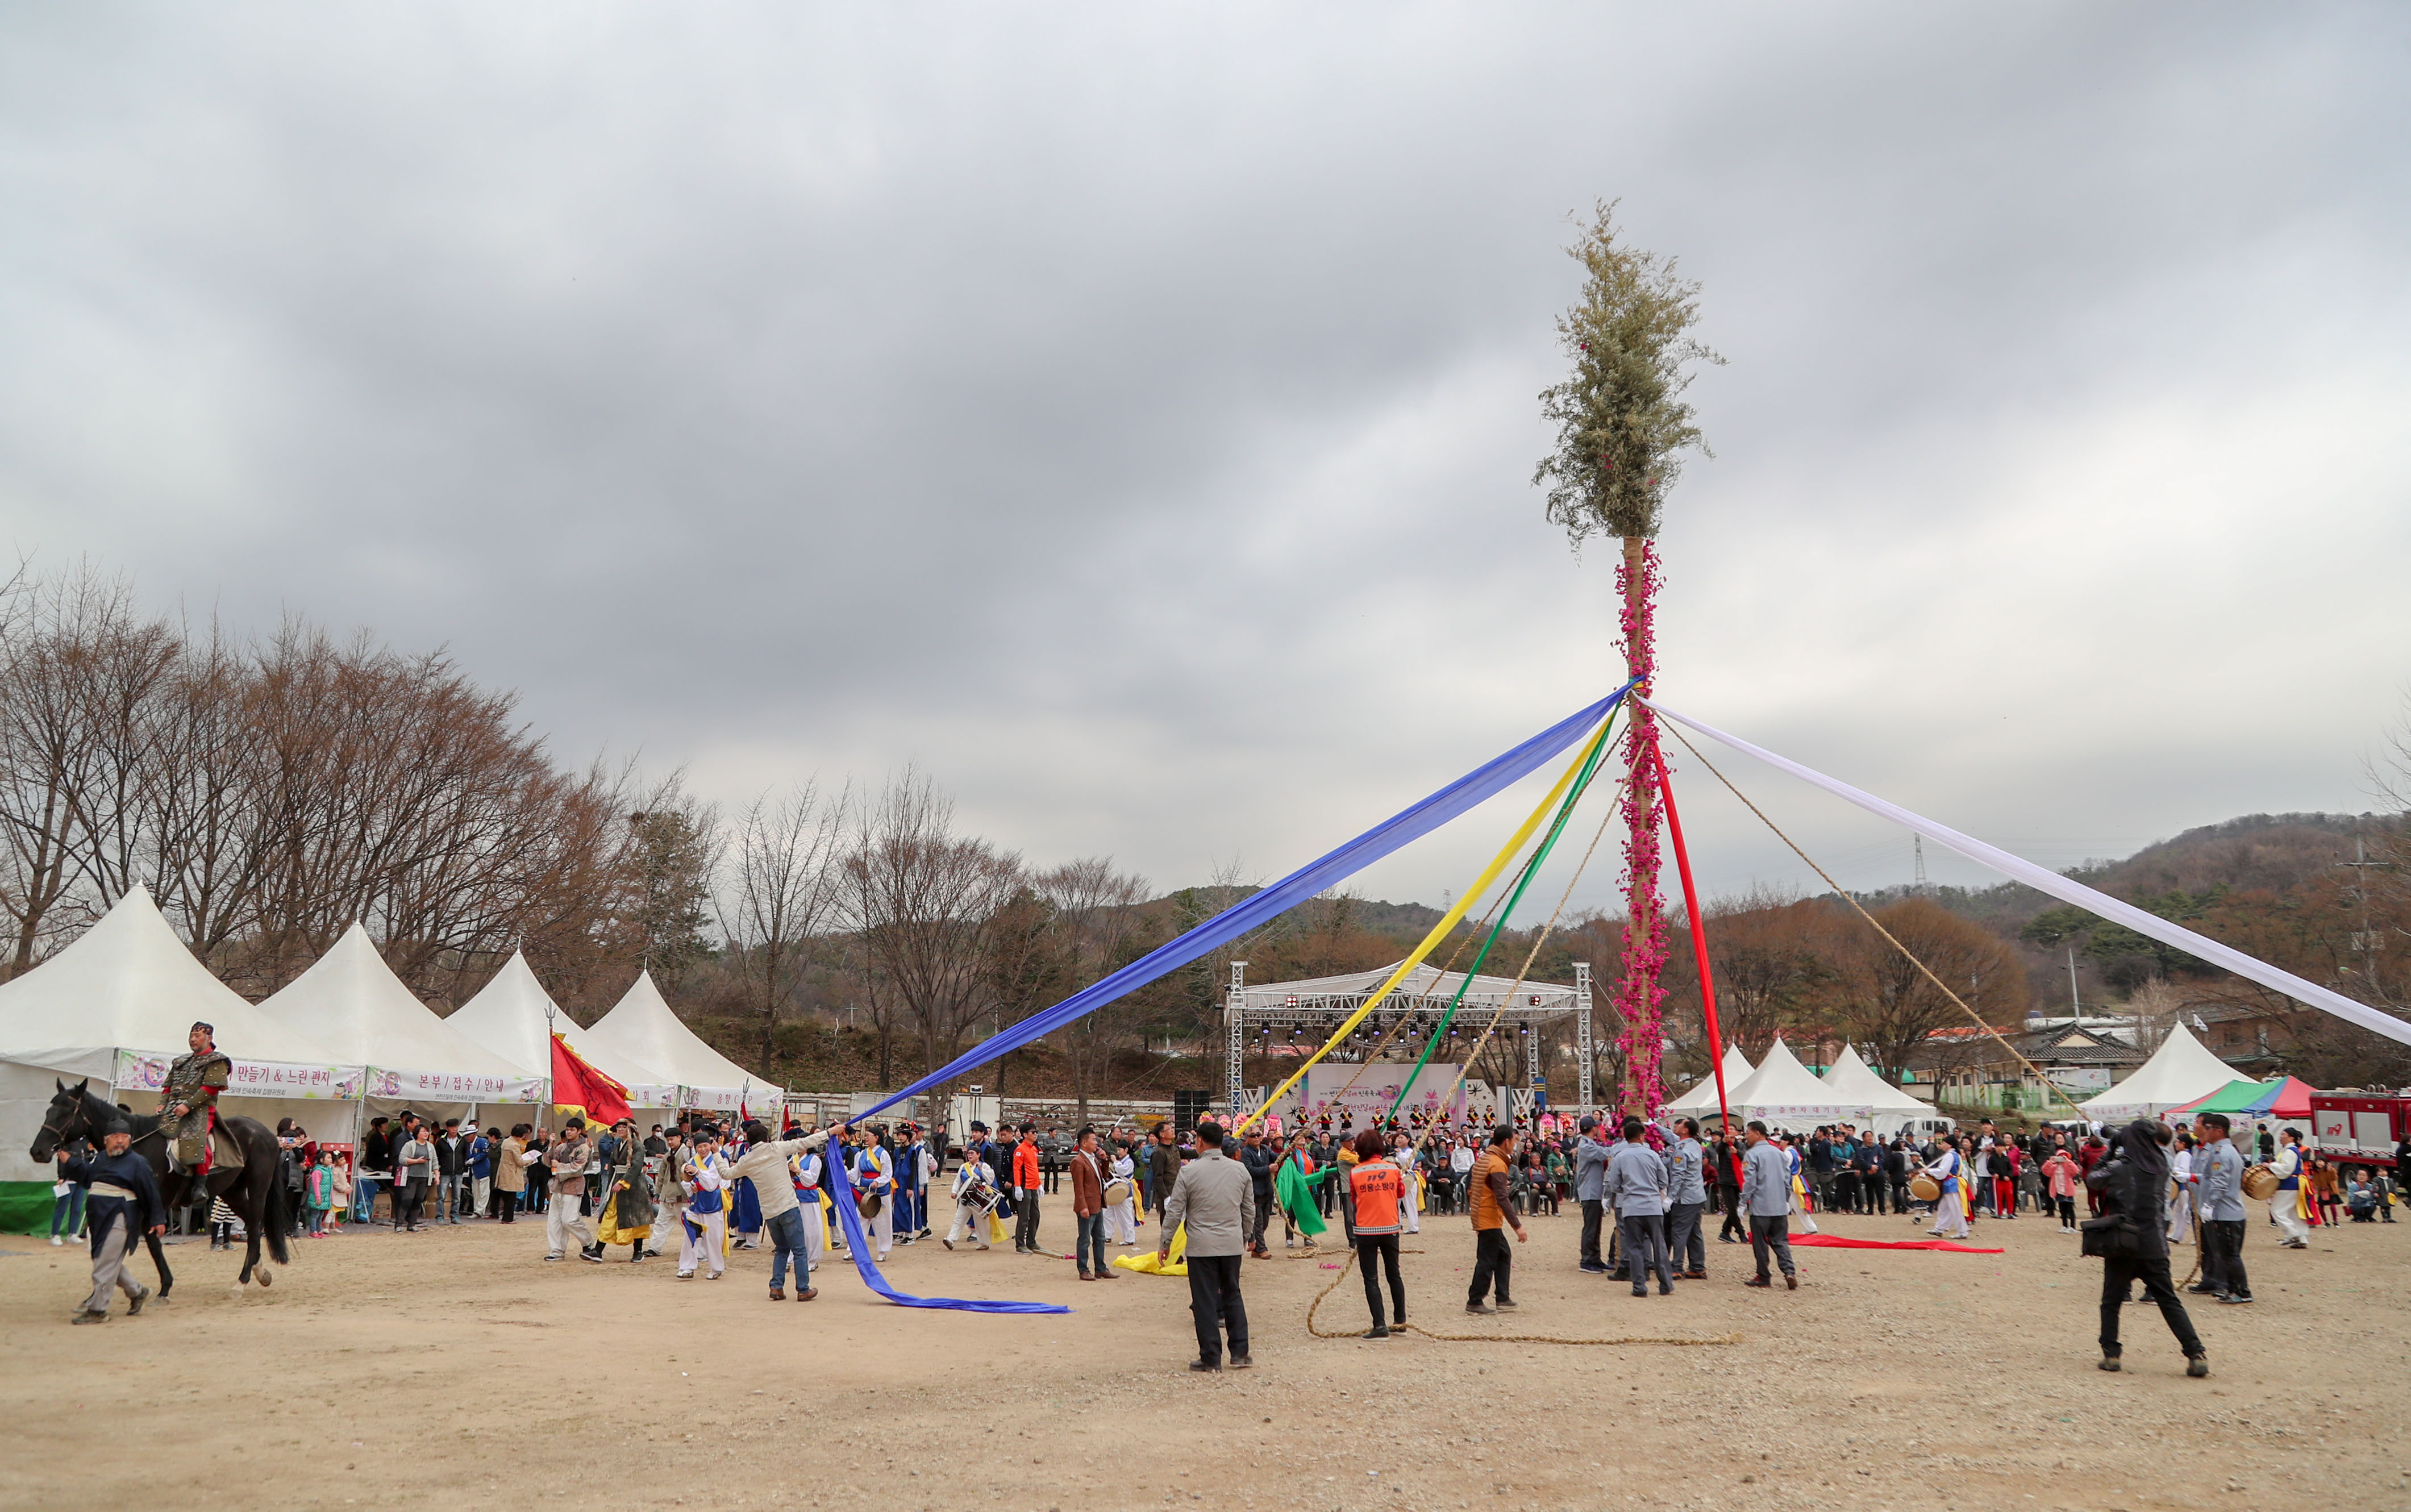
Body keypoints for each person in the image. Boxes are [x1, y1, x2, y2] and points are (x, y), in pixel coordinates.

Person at [2087, 1119, 2209, 1377]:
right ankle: (2195, 1353)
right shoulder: (2162, 1164)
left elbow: (2093, 1179)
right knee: (2169, 1301)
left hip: (2124, 1242)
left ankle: (2111, 1355)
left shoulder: (2121, 1166)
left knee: (2111, 1301)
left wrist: (2111, 1148)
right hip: (2154, 1242)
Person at [1159, 1119, 1254, 1371]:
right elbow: (1249, 1210)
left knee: (1204, 1300)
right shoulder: (1240, 1170)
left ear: (1200, 1141)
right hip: (1232, 1244)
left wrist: (1166, 1242)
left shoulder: (1189, 1172)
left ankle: (1211, 1357)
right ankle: (1240, 1352)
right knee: (1233, 1294)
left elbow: (1175, 1211)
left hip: (1202, 1246)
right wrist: (1244, 1237)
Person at [55, 1117, 163, 1323]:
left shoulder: (138, 1163)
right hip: (98, 1217)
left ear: (130, 1140)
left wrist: (157, 1219)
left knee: (104, 1264)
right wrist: (69, 1160)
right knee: (105, 1260)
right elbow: (88, 1177)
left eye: (125, 1137)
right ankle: (137, 1292)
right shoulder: (100, 1158)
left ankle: (98, 1310)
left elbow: (151, 1192)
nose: (120, 1141)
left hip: (120, 1216)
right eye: (115, 1137)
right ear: (106, 1140)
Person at [728, 1118, 839, 1300]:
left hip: (769, 1212)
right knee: (799, 1250)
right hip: (788, 1206)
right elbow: (806, 1142)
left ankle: (776, 1287)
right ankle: (803, 1289)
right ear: (767, 1139)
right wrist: (830, 1132)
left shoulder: (746, 1159)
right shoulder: (776, 1148)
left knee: (782, 1249)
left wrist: (717, 1154)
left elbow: (726, 1173)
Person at [1347, 1129, 1408, 1338]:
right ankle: (1400, 1321)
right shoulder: (1393, 1169)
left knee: (1371, 1278)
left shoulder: (1355, 1172)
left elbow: (1354, 1199)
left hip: (1366, 1230)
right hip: (1391, 1227)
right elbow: (1401, 1193)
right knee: (1394, 1275)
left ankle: (1380, 1325)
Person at [2189, 1113, 2253, 1305]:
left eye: (2207, 1128)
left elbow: (2219, 1183)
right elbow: (2209, 1178)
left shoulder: (2222, 1153)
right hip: (2226, 1212)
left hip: (2226, 1213)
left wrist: (2209, 1205)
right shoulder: (2222, 1150)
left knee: (2230, 1255)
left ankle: (2242, 1291)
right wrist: (2191, 1177)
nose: (2205, 1132)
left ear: (2218, 1131)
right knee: (2226, 1254)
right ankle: (2233, 1290)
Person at [1606, 1117, 1672, 1297]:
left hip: (1631, 1207)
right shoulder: (1652, 1155)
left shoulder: (1620, 1157)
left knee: (1634, 1247)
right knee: (1658, 1246)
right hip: (1652, 1206)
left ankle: (1639, 1286)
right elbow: (1664, 1180)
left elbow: (1614, 1185)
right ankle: (1666, 1284)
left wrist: (1627, 1190)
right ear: (1642, 1136)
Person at [1465, 1125, 1526, 1315]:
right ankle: (1475, 1300)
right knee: (1487, 1260)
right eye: (1515, 1140)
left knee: (1503, 1254)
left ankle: (1503, 1297)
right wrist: (1517, 1226)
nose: (1515, 1144)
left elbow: (1474, 1188)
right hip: (1489, 1216)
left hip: (1483, 1214)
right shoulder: (1497, 1164)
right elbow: (1502, 1197)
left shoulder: (1485, 1159)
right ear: (1507, 1141)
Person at [157, 1021, 231, 1173]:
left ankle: (200, 1183)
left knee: (195, 1143)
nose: (192, 1039)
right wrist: (162, 1103)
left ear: (209, 1037)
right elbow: (168, 1086)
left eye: (197, 1036)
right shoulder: (181, 1061)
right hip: (172, 1108)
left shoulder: (217, 1060)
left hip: (201, 1110)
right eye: (191, 1036)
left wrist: (187, 1106)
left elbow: (209, 1088)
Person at [1740, 1120, 1797, 1290]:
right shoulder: (1779, 1153)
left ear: (1758, 1133)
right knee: (1780, 1241)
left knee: (1760, 1243)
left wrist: (1743, 1202)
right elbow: (1788, 1180)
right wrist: (1785, 1199)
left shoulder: (1752, 1155)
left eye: (1748, 1132)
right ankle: (1789, 1271)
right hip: (1779, 1205)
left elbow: (1750, 1182)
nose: (1746, 1136)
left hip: (1761, 1206)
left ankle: (1764, 1276)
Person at [537, 1118, 598, 1261]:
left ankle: (587, 1242)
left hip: (573, 1186)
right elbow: (547, 1162)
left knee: (569, 1220)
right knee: (554, 1221)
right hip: (558, 1186)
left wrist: (559, 1166)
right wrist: (550, 1145)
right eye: (568, 1129)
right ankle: (556, 1251)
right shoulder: (561, 1147)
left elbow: (579, 1168)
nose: (569, 1132)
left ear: (579, 1131)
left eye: (572, 1129)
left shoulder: (584, 1148)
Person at [1665, 1117, 1708, 1281]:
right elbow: (1672, 1138)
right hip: (1697, 1195)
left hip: (1686, 1197)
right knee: (1694, 1232)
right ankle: (1698, 1267)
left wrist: (1671, 1197)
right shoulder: (1695, 1145)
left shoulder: (1682, 1149)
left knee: (1679, 1232)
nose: (1675, 1126)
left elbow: (1678, 1176)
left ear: (1686, 1130)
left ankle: (1676, 1268)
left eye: (1679, 1124)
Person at [1068, 1126, 1113, 1280]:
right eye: (1093, 1140)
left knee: (1100, 1238)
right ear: (1084, 1143)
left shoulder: (1093, 1158)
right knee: (1085, 1239)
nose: (1097, 1143)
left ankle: (1101, 1268)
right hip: (1087, 1206)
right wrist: (1083, 1206)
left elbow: (1104, 1176)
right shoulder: (1078, 1161)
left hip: (1097, 1204)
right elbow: (1078, 1187)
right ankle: (1083, 1269)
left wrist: (1104, 1160)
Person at [1572, 1116, 1613, 1275]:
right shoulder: (1586, 1146)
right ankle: (1587, 1260)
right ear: (1592, 1128)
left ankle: (1595, 1258)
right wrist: (1620, 1147)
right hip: (1590, 1192)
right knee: (1591, 1228)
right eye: (1596, 1127)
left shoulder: (1589, 1144)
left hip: (1594, 1192)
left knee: (1596, 1227)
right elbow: (1604, 1153)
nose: (1598, 1129)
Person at [2268, 1130, 2311, 1249]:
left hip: (2289, 1184)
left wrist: (2271, 1166)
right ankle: (2302, 1237)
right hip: (2294, 1183)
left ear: (2292, 1138)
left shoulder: (2290, 1151)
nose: (2281, 1137)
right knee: (2294, 1213)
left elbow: (2287, 1169)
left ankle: (2293, 1234)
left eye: (2283, 1135)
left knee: (2276, 1210)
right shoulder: (2289, 1150)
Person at [1238, 1128, 1276, 1257]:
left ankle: (1256, 1249)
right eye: (1252, 1135)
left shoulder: (1265, 1149)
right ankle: (1262, 1249)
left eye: (1258, 1135)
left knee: (1265, 1221)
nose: (1256, 1137)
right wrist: (1268, 1169)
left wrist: (1288, 1151)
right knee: (1258, 1222)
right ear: (1247, 1138)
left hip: (1267, 1190)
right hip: (1254, 1192)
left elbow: (1276, 1157)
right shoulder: (1246, 1153)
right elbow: (1250, 1170)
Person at [1924, 1136, 1970, 1240]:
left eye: (1944, 1143)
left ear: (1949, 1144)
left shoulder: (1950, 1156)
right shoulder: (1955, 1155)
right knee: (1944, 1208)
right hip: (1952, 1183)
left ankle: (1963, 1231)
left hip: (1951, 1183)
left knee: (1955, 1208)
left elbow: (1943, 1172)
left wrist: (1929, 1171)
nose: (1943, 1145)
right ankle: (1940, 1229)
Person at [393, 1118, 434, 1232]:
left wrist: (437, 1175)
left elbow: (435, 1161)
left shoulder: (430, 1146)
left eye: (427, 1131)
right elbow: (402, 1159)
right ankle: (399, 1224)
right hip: (411, 1177)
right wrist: (416, 1161)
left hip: (425, 1177)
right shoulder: (409, 1145)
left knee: (418, 1200)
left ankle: (412, 1224)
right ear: (417, 1133)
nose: (426, 1133)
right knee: (407, 1200)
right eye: (423, 1131)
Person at [1011, 1123, 1044, 1253]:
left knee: (1035, 1215)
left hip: (1033, 1186)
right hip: (1024, 1186)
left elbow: (1034, 1169)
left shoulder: (1034, 1149)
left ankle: (1031, 1241)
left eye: (1036, 1132)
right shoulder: (1020, 1150)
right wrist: (1018, 1186)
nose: (1035, 1134)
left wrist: (1040, 1184)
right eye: (1033, 1132)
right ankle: (1020, 1244)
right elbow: (1017, 1168)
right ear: (1025, 1135)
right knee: (1024, 1216)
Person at [1105, 1136, 1139, 1246]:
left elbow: (1122, 1171)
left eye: (1120, 1150)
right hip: (1115, 1189)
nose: (1118, 1152)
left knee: (1125, 1216)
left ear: (1126, 1150)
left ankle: (1130, 1238)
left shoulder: (1129, 1162)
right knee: (1107, 1214)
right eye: (1118, 1150)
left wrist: (1115, 1162)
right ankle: (1107, 1235)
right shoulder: (1122, 1161)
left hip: (1125, 1191)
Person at [1148, 1124, 1182, 1232]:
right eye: (1169, 1129)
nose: (1173, 1131)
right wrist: (1166, 1197)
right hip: (1167, 1192)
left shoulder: (1174, 1148)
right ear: (1162, 1134)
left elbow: (1188, 1153)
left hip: (1178, 1190)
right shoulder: (1159, 1152)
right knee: (1169, 1225)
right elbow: (1158, 1177)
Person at [2044, 1143, 2082, 1234]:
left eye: (2063, 1157)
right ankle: (2065, 1226)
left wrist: (2068, 1162)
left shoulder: (2068, 1166)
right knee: (2062, 1210)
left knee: (2070, 1209)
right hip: (2059, 1191)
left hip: (2068, 1191)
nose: (2061, 1159)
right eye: (2060, 1157)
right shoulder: (2054, 1168)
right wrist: (2050, 1162)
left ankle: (2072, 1227)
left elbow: (2076, 1171)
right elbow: (2045, 1171)